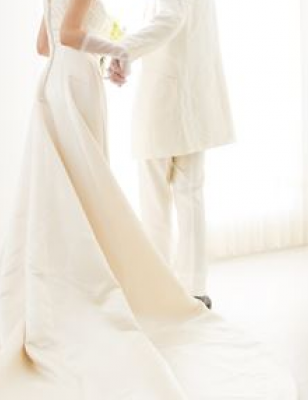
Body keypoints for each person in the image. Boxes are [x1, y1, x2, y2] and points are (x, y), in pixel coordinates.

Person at [0, 0, 296, 398]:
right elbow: (69, 35)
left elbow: (44, 44)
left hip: (55, 80)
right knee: (89, 182)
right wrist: (115, 49)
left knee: (63, 184)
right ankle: (115, 278)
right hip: (80, 82)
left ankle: (90, 273)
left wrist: (109, 48)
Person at [109, 0, 234, 310]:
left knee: (156, 198)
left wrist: (124, 50)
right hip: (192, 98)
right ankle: (193, 288)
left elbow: (169, 19)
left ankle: (161, 285)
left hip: (165, 101)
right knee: (189, 195)